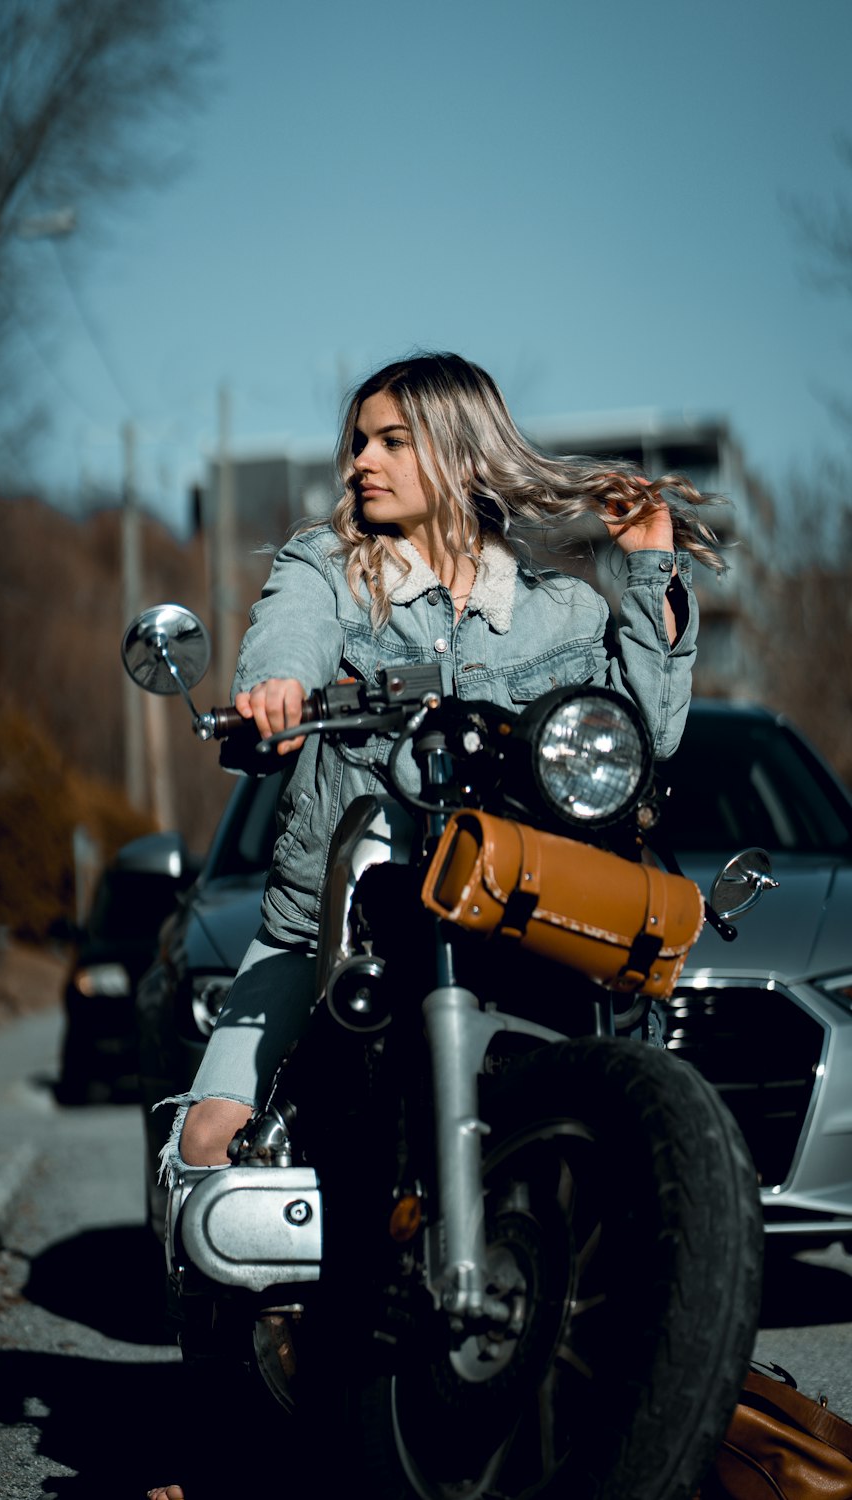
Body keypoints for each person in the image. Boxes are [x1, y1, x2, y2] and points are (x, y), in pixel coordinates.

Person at [147, 350, 722, 1498]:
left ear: (458, 452)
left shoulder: (560, 608)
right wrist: (273, 694)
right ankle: (216, 1448)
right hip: (335, 931)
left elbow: (645, 732)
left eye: (389, 439)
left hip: (510, 932)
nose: (359, 460)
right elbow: (289, 638)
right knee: (210, 1145)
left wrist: (647, 563)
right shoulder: (327, 569)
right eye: (356, 440)